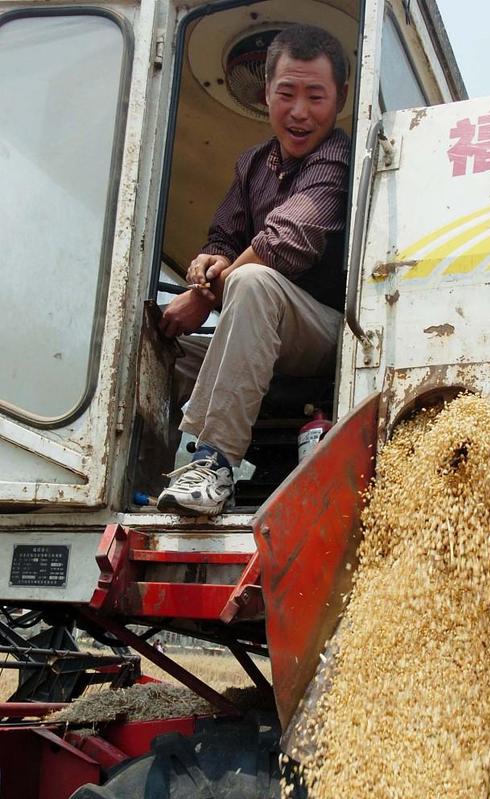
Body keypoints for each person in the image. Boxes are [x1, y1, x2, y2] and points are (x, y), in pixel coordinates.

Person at [157, 24, 350, 516]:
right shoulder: (252, 165)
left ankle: (214, 464)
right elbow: (223, 238)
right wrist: (207, 263)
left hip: (327, 338)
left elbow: (286, 242)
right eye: (286, 94)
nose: (300, 112)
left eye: (316, 96)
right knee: (161, 347)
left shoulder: (340, 157)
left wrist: (203, 295)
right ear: (266, 94)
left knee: (252, 279)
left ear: (342, 99)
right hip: (256, 339)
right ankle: (143, 473)